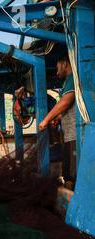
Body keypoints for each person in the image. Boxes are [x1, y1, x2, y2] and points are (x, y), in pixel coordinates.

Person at [39, 53, 77, 190]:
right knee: (67, 171)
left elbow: (65, 102)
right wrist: (58, 118)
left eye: (57, 67)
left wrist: (46, 120)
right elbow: (71, 108)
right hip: (68, 136)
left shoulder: (73, 79)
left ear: (65, 64)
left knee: (73, 174)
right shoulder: (67, 81)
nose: (57, 71)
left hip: (75, 135)